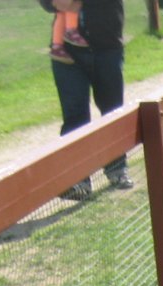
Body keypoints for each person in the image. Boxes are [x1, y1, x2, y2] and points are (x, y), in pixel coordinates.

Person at [40, 0, 134, 199]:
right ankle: (78, 179)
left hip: (106, 46)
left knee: (112, 110)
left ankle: (117, 169)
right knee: (74, 115)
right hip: (66, 53)